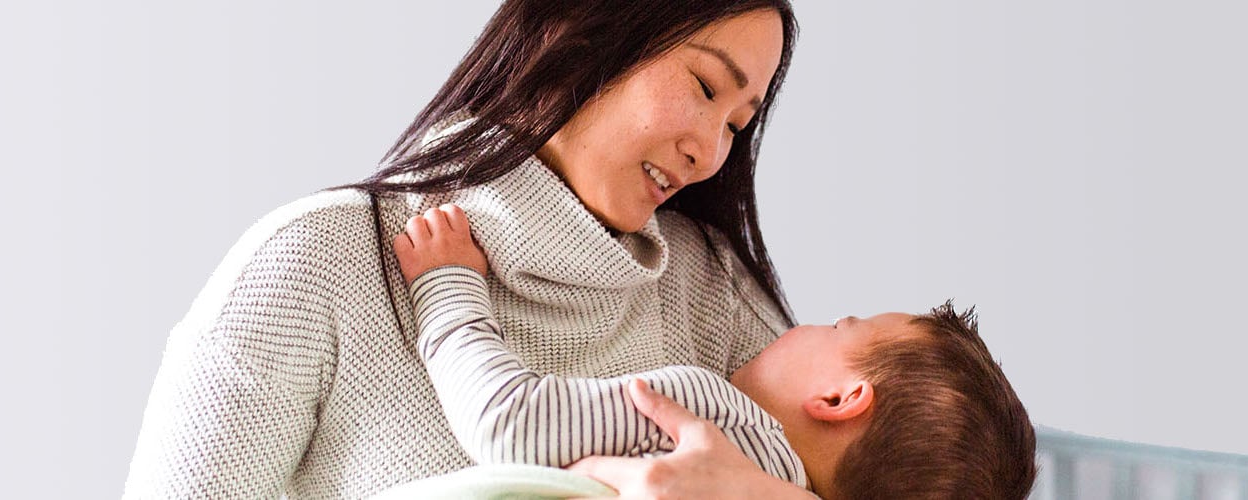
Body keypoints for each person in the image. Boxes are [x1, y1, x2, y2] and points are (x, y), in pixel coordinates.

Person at [122, 1, 815, 498]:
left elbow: (896, 457)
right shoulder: (314, 262)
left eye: (736, 124)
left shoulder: (709, 289)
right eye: (702, 87)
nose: (710, 153)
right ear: (575, 28)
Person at [391, 204, 1038, 500]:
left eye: (839, 326)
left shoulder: (708, 418)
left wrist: (445, 286)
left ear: (839, 399)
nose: (803, 325)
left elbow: (507, 421)